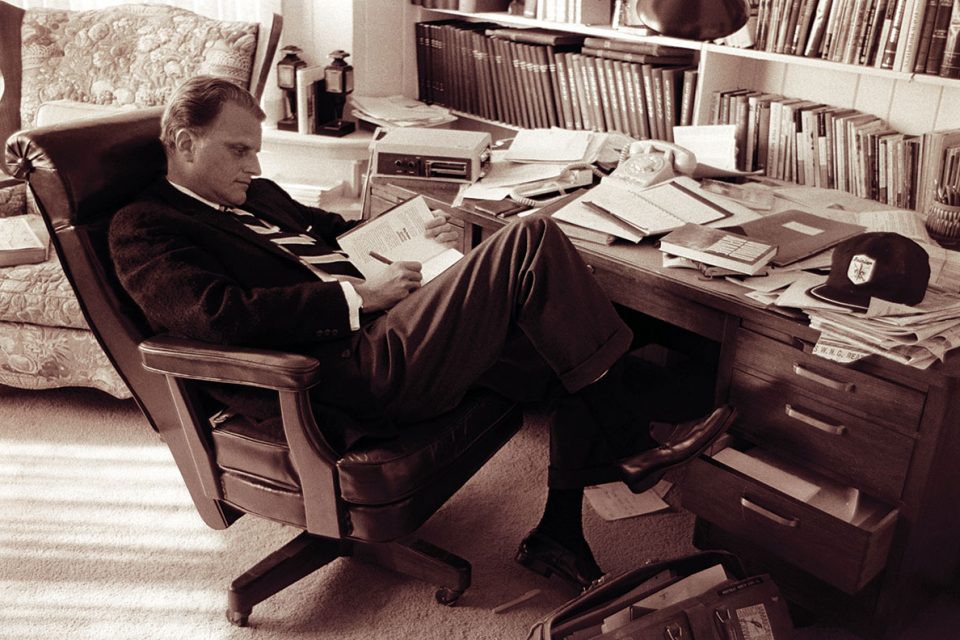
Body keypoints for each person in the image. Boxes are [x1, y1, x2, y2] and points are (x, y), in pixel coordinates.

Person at [109, 76, 736, 592]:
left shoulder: (257, 193)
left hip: (382, 328)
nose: (255, 163)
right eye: (239, 150)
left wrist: (407, 231)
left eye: (257, 148)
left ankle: (559, 533)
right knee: (530, 240)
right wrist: (356, 297)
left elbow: (328, 230)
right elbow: (215, 315)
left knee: (554, 320)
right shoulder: (144, 225)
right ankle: (626, 434)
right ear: (187, 143)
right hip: (338, 373)